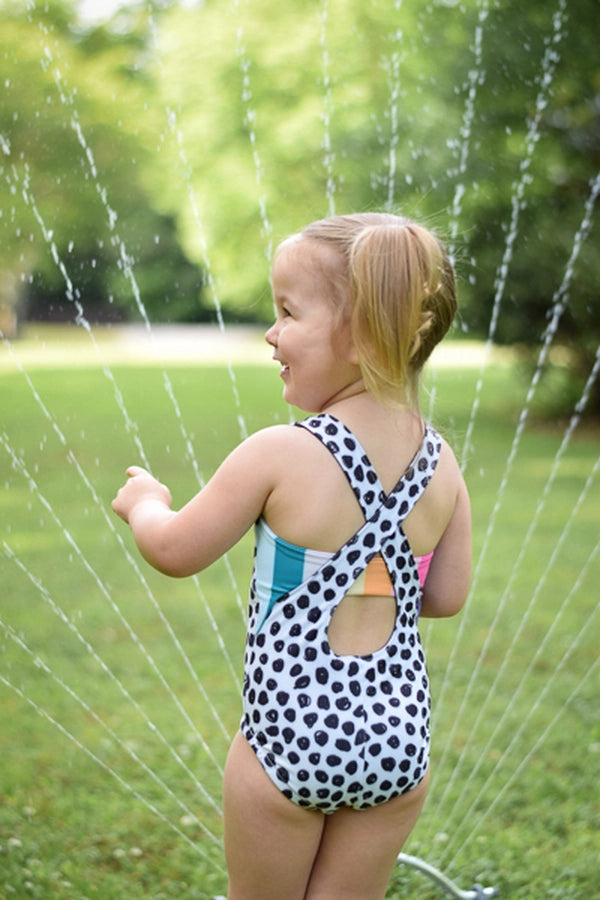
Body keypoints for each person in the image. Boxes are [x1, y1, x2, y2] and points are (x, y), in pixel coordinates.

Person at [112, 212, 471, 900]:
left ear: (362, 336)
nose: (271, 334)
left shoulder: (282, 451)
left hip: (289, 738)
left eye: (288, 313)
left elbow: (175, 549)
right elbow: (446, 595)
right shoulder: (441, 461)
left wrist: (146, 503)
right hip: (397, 741)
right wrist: (372, 582)